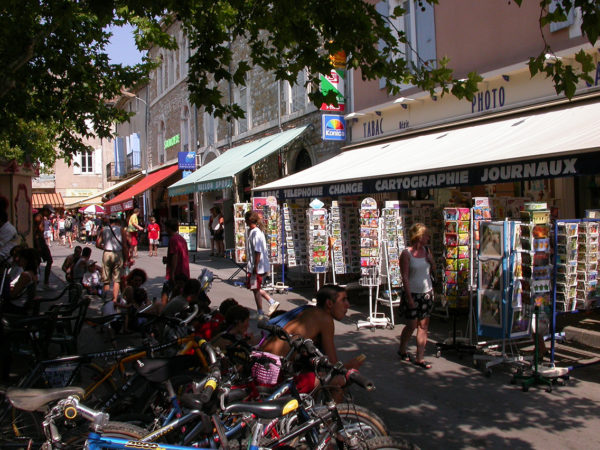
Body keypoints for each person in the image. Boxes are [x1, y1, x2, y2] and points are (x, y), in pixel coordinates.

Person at [261, 285, 363, 400]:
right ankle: (329, 418)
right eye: (343, 300)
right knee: (339, 381)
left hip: (263, 363)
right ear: (329, 304)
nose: (348, 305)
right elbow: (334, 366)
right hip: (272, 374)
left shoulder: (307, 310)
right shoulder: (325, 319)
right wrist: (350, 366)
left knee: (315, 375)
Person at [397, 223, 436, 370]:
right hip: (412, 293)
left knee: (423, 326)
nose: (428, 238)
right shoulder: (406, 254)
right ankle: (402, 348)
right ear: (419, 236)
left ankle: (420, 357)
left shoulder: (427, 251)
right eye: (426, 235)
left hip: (426, 292)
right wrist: (409, 297)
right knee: (412, 325)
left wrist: (432, 262)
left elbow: (433, 271)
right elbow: (405, 277)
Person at [244, 211, 279, 320]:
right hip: (256, 265)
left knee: (255, 288)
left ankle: (261, 311)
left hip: (257, 266)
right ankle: (271, 302)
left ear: (249, 220)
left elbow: (257, 251)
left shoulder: (256, 233)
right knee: (255, 288)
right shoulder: (253, 232)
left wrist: (255, 266)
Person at [96, 215, 129, 306]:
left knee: (106, 279)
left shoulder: (104, 229)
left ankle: (107, 300)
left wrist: (105, 247)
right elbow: (125, 246)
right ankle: (114, 300)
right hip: (117, 253)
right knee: (117, 279)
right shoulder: (121, 230)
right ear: (117, 221)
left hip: (107, 253)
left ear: (109, 221)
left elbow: (98, 244)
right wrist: (126, 259)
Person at [161, 218, 189, 305]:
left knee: (166, 292)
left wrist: (172, 273)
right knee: (177, 294)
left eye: (165, 227)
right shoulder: (181, 238)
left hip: (177, 271)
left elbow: (175, 256)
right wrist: (168, 259)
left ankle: (164, 310)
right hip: (183, 270)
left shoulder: (173, 239)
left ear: (168, 228)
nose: (164, 229)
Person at [6, 247, 39, 314]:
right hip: (22, 306)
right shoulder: (32, 273)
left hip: (17, 307)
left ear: (25, 260)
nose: (17, 259)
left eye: (20, 257)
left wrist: (7, 282)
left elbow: (12, 295)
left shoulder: (25, 275)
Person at [33, 204, 54, 289]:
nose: (50, 214)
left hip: (40, 241)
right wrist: (37, 244)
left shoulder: (41, 217)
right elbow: (35, 232)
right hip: (38, 241)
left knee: (40, 261)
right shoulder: (38, 217)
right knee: (37, 262)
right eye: (49, 212)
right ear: (45, 210)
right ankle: (39, 282)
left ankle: (43, 282)